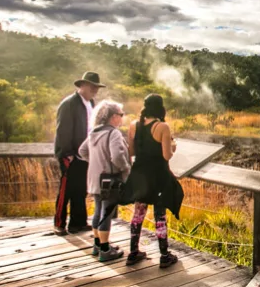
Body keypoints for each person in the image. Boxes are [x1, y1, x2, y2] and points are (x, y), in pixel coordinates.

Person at [125, 94, 184, 268]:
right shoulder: (162, 127)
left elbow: (131, 152)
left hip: (140, 174)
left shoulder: (133, 125)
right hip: (158, 175)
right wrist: (172, 147)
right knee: (160, 215)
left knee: (138, 213)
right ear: (160, 108)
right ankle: (164, 255)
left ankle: (133, 252)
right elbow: (167, 155)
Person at [53, 71, 105, 235]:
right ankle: (59, 223)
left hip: (85, 154)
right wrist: (67, 152)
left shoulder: (91, 104)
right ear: (82, 85)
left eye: (96, 87)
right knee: (66, 189)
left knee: (80, 189)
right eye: (92, 86)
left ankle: (78, 223)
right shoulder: (69, 104)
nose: (95, 90)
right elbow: (63, 130)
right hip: (69, 154)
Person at [78, 100, 130, 262]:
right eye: (121, 115)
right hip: (109, 180)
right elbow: (117, 156)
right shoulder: (113, 133)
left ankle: (97, 245)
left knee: (98, 210)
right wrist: (125, 168)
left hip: (94, 179)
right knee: (106, 213)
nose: (122, 118)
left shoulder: (94, 132)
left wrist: (96, 162)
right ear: (113, 116)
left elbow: (82, 151)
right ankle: (106, 250)